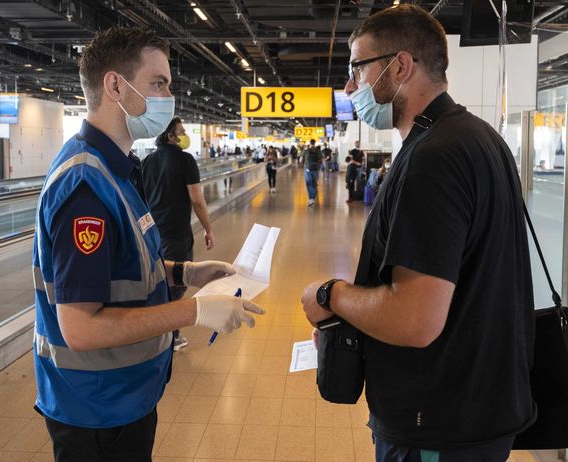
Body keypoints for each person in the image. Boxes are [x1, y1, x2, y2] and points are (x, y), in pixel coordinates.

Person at [300, 5, 535, 462]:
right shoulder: (479, 138)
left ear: (400, 65)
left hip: (438, 425)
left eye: (357, 69)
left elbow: (415, 319)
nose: (350, 88)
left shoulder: (435, 157)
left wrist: (330, 295)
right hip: (476, 406)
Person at [31, 27, 265, 462]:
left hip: (124, 397)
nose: (168, 96)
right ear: (115, 85)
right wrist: (195, 310)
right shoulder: (85, 185)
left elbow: (121, 269)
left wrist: (187, 273)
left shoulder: (118, 169)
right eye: (158, 83)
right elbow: (80, 328)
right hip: (97, 411)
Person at [142, 116, 216, 351]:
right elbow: (197, 199)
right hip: (176, 231)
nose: (185, 134)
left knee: (158, 278)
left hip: (152, 232)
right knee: (177, 282)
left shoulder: (146, 161)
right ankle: (169, 333)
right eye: (182, 131)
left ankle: (161, 330)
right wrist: (208, 228)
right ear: (171, 135)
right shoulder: (185, 160)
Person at [301, 139, 322, 206]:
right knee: (314, 183)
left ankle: (311, 199)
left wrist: (304, 164)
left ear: (310, 143)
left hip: (308, 169)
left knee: (308, 183)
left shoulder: (306, 151)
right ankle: (313, 197)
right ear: (315, 143)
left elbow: (301, 160)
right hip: (315, 169)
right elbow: (321, 161)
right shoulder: (318, 151)